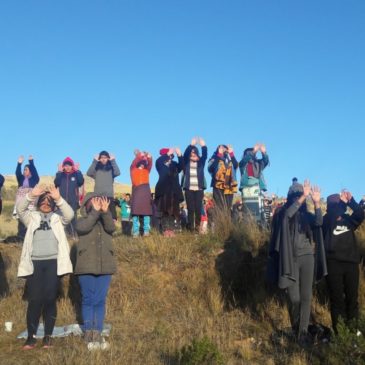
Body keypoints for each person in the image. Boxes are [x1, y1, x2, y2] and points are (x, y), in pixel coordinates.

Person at [268, 180, 327, 346]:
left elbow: (319, 223)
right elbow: (288, 216)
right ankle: (297, 327)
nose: (297, 198)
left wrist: (316, 203)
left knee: (306, 297)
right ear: (290, 197)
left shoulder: (306, 215)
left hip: (308, 256)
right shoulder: (283, 213)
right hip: (290, 258)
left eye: (299, 195)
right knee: (294, 297)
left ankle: (302, 334)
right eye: (295, 195)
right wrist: (302, 197)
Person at [16, 184, 74, 350]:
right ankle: (31, 338)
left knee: (49, 299)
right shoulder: (31, 217)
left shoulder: (57, 219)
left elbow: (69, 214)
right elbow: (20, 209)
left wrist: (58, 198)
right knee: (34, 300)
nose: (46, 203)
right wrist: (31, 195)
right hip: (34, 263)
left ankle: (48, 337)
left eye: (49, 201)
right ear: (38, 202)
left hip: (53, 263)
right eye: (43, 200)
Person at [74, 193, 116, 350]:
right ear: (86, 205)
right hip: (86, 265)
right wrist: (95, 212)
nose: (98, 202)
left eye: (100, 200)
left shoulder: (104, 219)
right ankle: (89, 332)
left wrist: (105, 212)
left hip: (105, 266)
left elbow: (111, 228)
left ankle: (97, 332)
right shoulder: (82, 220)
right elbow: (84, 228)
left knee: (100, 300)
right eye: (94, 200)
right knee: (88, 299)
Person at [323, 191, 365, 333]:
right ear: (329, 207)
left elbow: (360, 214)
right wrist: (342, 204)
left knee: (352, 300)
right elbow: (333, 215)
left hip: (351, 263)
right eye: (335, 205)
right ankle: (340, 334)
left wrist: (351, 201)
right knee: (337, 301)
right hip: (333, 264)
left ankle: (353, 333)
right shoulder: (326, 220)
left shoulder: (348, 219)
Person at [154, 147, 184, 237]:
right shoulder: (160, 164)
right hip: (163, 191)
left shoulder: (174, 164)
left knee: (173, 211)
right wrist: (167, 154)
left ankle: (171, 230)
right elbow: (158, 161)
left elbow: (182, 166)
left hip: (174, 191)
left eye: (171, 155)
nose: (170, 156)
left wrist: (180, 155)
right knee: (164, 212)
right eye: (168, 155)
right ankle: (165, 230)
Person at [181, 137, 208, 233]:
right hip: (188, 189)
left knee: (198, 209)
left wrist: (203, 146)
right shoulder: (186, 163)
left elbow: (205, 156)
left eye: (194, 153)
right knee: (190, 209)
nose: (193, 155)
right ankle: (190, 229)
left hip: (199, 189)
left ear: (197, 154)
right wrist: (191, 145)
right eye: (191, 153)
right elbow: (184, 156)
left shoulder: (201, 163)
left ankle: (197, 228)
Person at [54, 157, 84, 239]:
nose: (67, 167)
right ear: (63, 166)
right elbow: (56, 182)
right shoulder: (60, 174)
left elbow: (81, 181)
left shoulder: (75, 174)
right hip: (62, 201)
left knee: (73, 218)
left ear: (72, 166)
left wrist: (78, 171)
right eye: (65, 165)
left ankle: (74, 235)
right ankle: (66, 236)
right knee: (64, 218)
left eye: (69, 165)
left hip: (73, 200)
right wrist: (59, 171)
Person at [87, 151, 120, 221]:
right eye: (101, 157)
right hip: (97, 196)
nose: (103, 159)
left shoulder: (111, 169)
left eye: (105, 157)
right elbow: (89, 173)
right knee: (97, 217)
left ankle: (110, 231)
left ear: (108, 158)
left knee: (112, 218)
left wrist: (113, 161)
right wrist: (95, 161)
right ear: (99, 159)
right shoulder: (96, 170)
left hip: (109, 197)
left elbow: (118, 172)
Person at [15, 155, 40, 240]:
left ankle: (30, 238)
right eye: (24, 169)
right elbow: (17, 173)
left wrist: (31, 162)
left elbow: (35, 171)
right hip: (21, 203)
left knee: (30, 221)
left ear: (30, 171)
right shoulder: (21, 179)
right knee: (21, 221)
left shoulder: (34, 179)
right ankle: (20, 239)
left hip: (31, 205)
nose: (24, 171)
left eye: (26, 169)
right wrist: (19, 163)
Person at [207, 144, 238, 211]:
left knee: (228, 207)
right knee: (219, 206)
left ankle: (226, 221)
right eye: (221, 147)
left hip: (229, 185)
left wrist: (231, 154)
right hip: (218, 185)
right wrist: (219, 155)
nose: (223, 149)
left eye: (225, 148)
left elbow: (235, 166)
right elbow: (211, 168)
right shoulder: (214, 157)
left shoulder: (230, 158)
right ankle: (219, 220)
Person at [130, 150, 153, 237]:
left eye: (144, 163)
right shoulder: (133, 169)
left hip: (146, 192)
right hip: (136, 192)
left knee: (146, 213)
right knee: (135, 213)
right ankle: (135, 232)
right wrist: (140, 155)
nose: (143, 164)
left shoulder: (147, 171)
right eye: (141, 162)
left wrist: (149, 157)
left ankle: (146, 231)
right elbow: (134, 162)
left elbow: (150, 163)